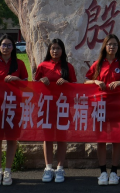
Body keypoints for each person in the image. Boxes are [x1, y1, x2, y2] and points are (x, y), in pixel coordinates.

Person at [85, 34, 120, 186]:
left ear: (118, 48)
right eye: (110, 44)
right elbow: (86, 82)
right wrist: (95, 81)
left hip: (117, 106)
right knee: (101, 139)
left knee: (116, 139)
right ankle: (103, 172)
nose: (112, 47)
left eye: (115, 45)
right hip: (100, 106)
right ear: (105, 46)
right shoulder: (98, 64)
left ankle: (114, 172)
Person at [0, 35, 29, 187]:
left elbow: (27, 84)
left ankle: (8, 170)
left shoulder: (19, 64)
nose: (6, 48)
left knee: (11, 138)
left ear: (13, 48)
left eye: (9, 45)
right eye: (3, 45)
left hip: (13, 106)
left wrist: (17, 80)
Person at [35, 38, 77, 184]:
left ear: (62, 50)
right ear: (49, 50)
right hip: (46, 106)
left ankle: (60, 168)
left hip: (62, 107)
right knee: (47, 138)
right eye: (53, 48)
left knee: (61, 138)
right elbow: (34, 86)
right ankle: (48, 168)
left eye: (58, 48)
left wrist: (66, 83)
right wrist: (41, 81)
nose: (55, 51)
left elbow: (75, 86)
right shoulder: (42, 66)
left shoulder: (68, 67)